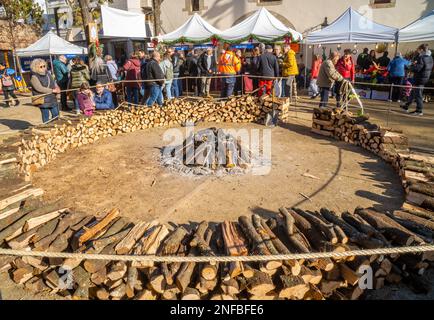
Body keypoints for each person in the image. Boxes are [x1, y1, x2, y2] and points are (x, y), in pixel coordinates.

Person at [401, 44, 433, 116]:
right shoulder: (430, 57)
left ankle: (419, 110)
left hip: (420, 78)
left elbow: (418, 68)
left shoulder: (421, 57)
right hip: (425, 77)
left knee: (418, 95)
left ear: (422, 49)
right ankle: (406, 105)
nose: (418, 51)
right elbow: (424, 67)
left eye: (418, 49)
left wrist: (409, 67)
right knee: (413, 92)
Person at [29, 58, 60, 123]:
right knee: (46, 116)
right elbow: (39, 88)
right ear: (35, 67)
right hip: (43, 99)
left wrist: (57, 87)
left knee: (56, 114)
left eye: (44, 66)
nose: (43, 68)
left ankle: (54, 126)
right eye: (41, 66)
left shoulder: (48, 73)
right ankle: (47, 128)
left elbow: (53, 82)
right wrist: (52, 90)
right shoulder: (34, 77)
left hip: (52, 98)